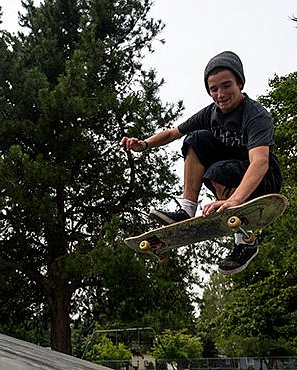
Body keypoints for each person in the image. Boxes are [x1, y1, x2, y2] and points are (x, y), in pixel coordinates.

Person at [120, 51, 282, 274]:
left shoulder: (255, 115)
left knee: (218, 170)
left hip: (263, 180)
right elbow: (172, 133)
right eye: (214, 89)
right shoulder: (210, 114)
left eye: (226, 86)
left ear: (240, 84)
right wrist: (145, 145)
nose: (220, 94)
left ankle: (245, 241)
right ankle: (188, 209)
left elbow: (260, 162)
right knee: (195, 138)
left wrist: (234, 201)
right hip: (229, 174)